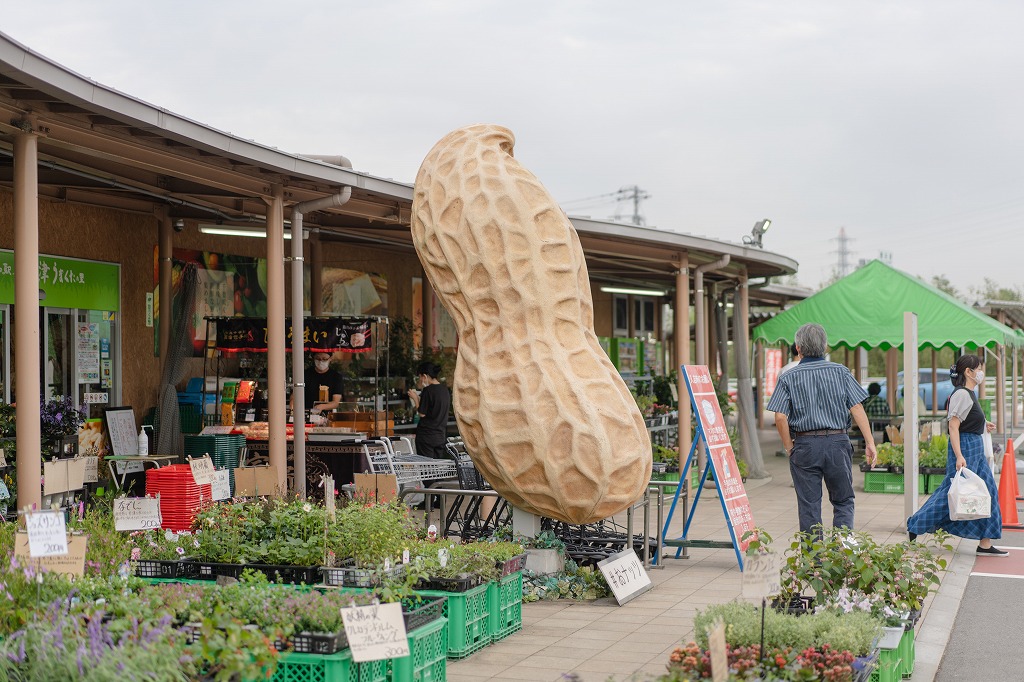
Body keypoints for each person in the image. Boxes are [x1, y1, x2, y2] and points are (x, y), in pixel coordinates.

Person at [766, 323, 878, 534]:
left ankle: (814, 565)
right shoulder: (841, 372)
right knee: (843, 501)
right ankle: (842, 557)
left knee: (809, 506)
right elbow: (856, 407)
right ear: (826, 347)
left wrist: (789, 447)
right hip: (838, 442)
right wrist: (870, 442)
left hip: (805, 445)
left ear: (798, 348)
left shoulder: (787, 377)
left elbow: (780, 417)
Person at [906, 355, 1006, 556]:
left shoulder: (969, 393)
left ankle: (985, 543)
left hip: (974, 447)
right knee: (952, 493)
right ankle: (916, 525)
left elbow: (966, 419)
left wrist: (983, 424)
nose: (980, 372)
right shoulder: (962, 394)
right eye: (978, 368)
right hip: (966, 448)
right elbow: (953, 425)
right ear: (968, 372)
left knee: (988, 493)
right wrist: (959, 455)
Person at [407, 361, 451, 458]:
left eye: (420, 377)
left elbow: (422, 413)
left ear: (425, 376)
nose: (420, 380)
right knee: (437, 469)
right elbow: (433, 408)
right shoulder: (445, 390)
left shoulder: (428, 391)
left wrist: (415, 398)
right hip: (440, 435)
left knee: (427, 468)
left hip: (426, 436)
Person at [291, 352, 345, 420]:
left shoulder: (336, 377)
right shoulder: (305, 375)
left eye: (324, 359)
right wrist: (293, 409)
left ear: (330, 359)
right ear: (314, 359)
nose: (321, 361)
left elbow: (335, 402)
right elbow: (294, 395)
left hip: (327, 417)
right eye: (318, 359)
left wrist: (321, 407)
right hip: (305, 415)